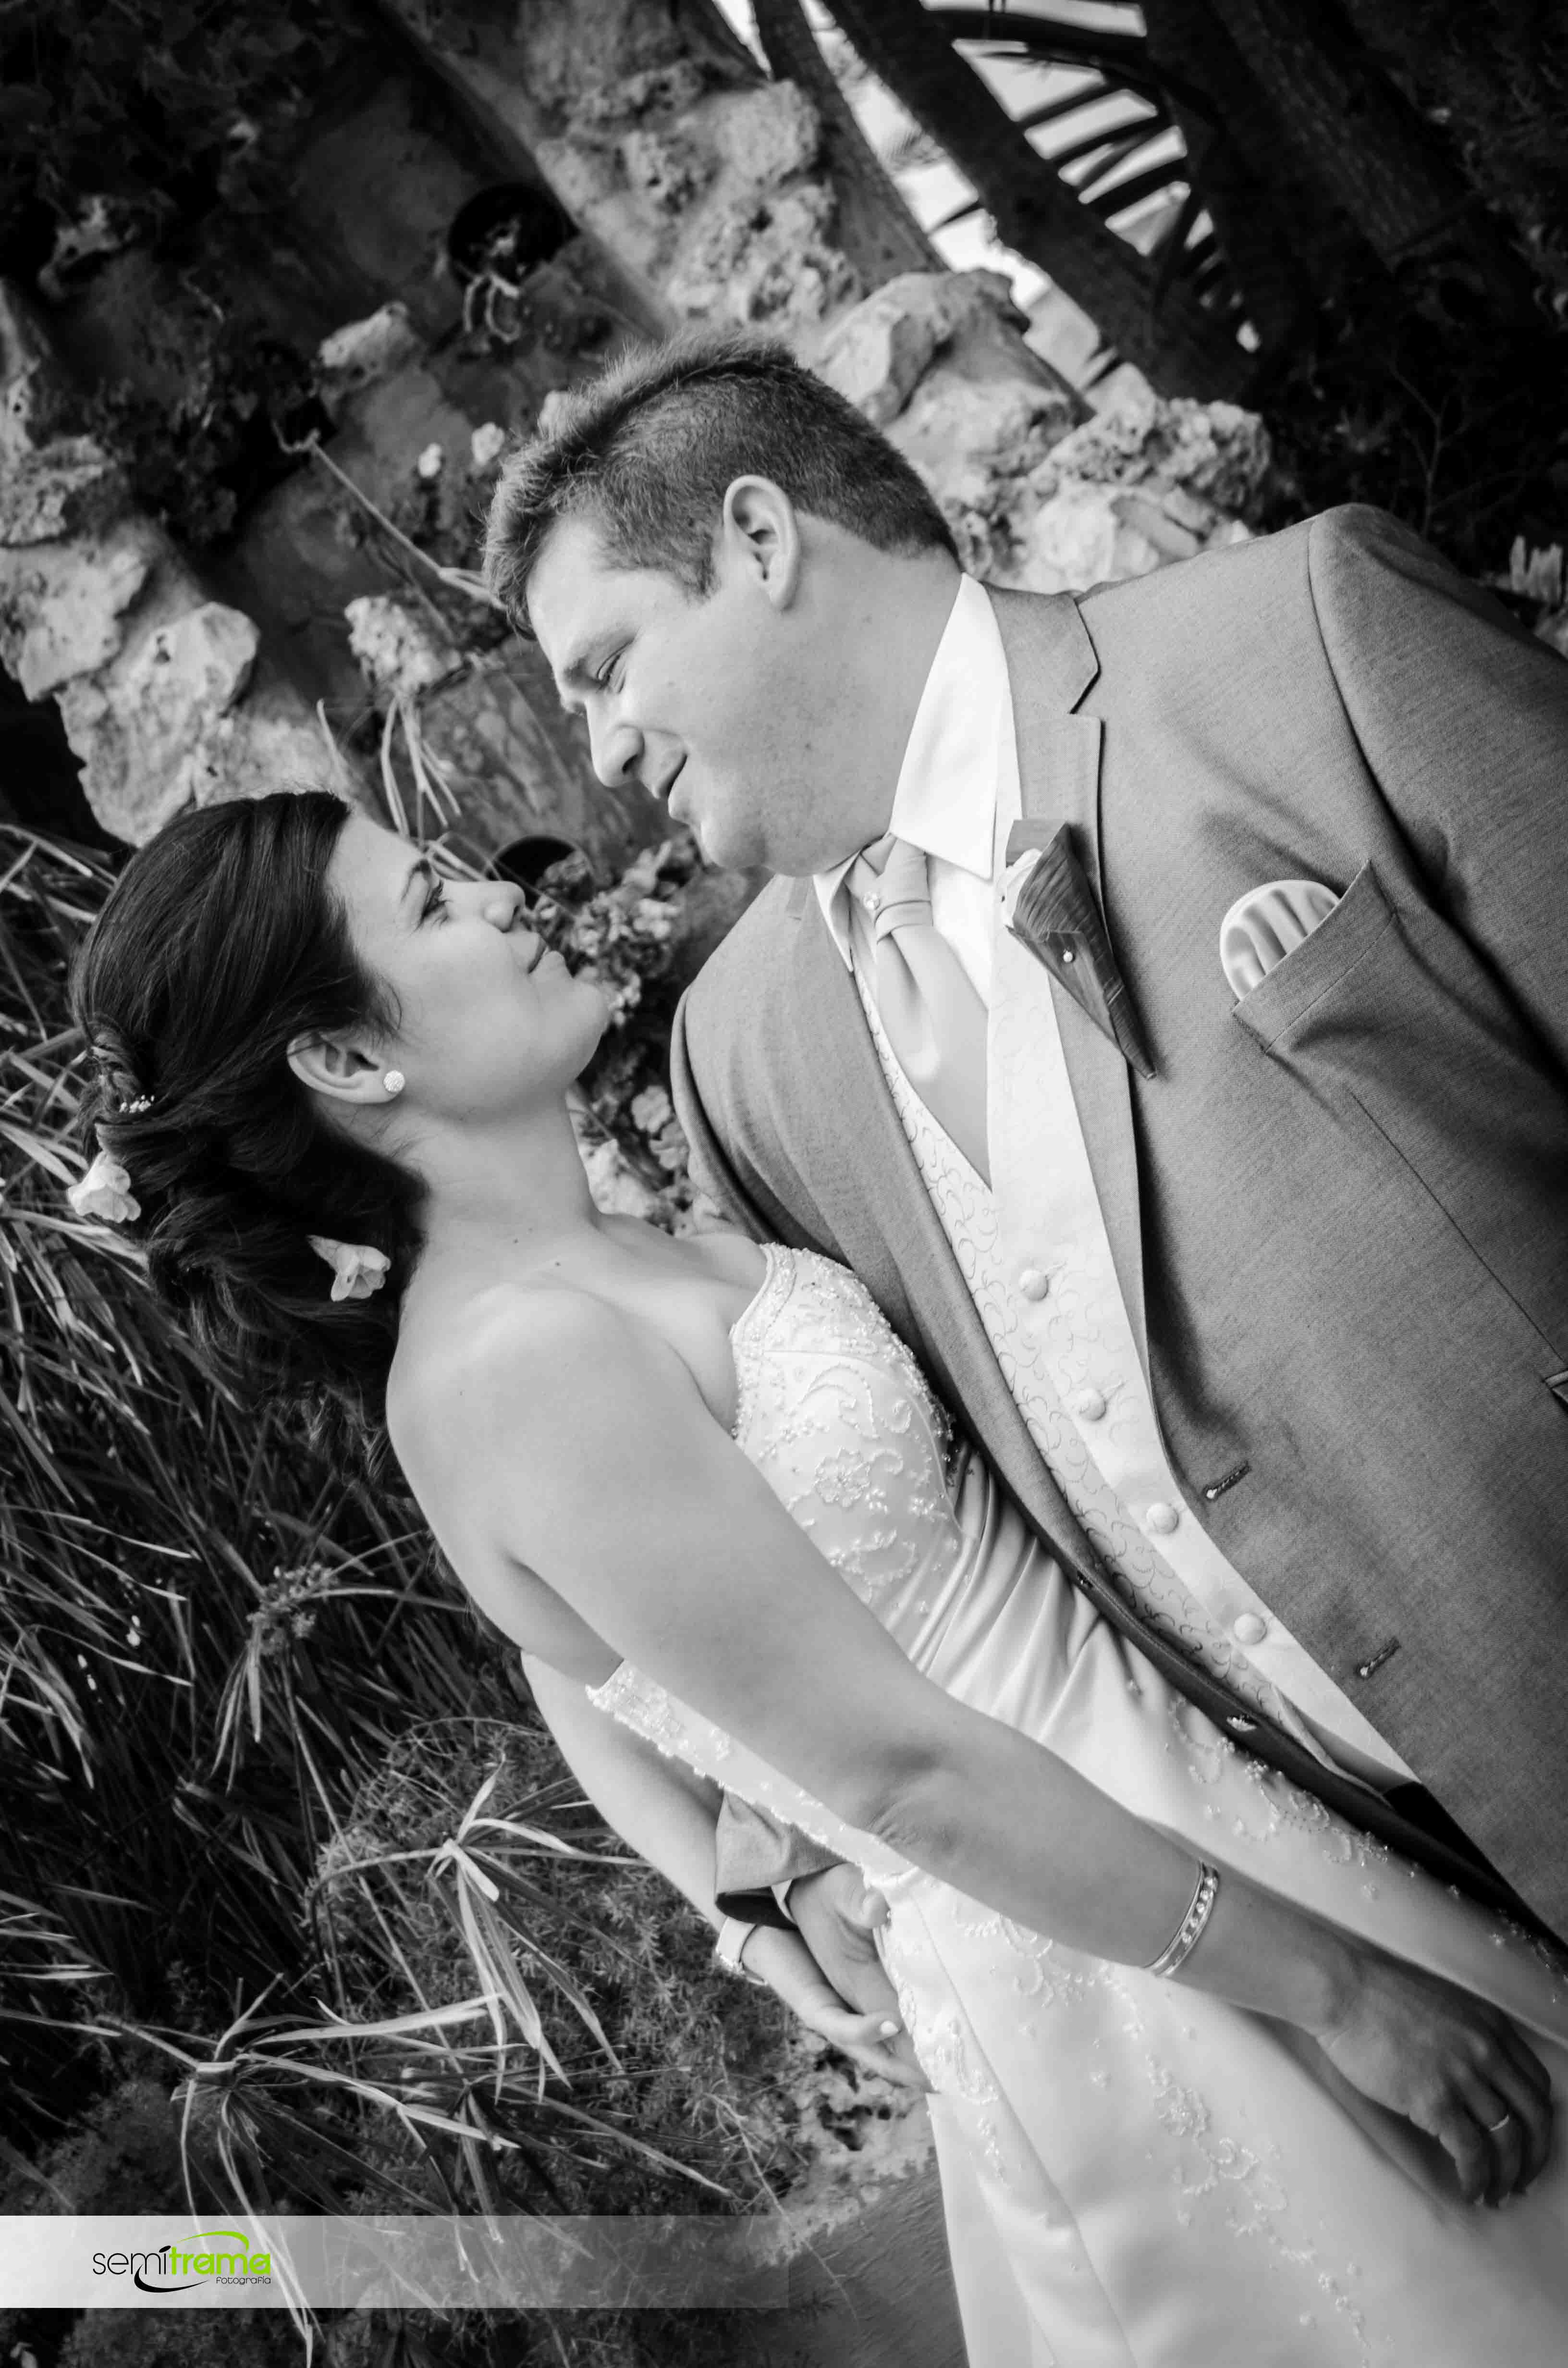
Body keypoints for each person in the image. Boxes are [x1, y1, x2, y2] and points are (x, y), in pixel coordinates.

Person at [69, 790, 1568, 2365]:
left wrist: (750, 1889)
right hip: (1133, 1949)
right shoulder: (512, 1369)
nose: (506, 895)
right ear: (347, 1061)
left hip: (1204, 1798)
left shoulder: (603, 1265)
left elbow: (571, 1659)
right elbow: (902, 1777)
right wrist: (1337, 1994)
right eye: (434, 903)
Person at [478, 330, 1568, 2079]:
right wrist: (770, 1867)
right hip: (1395, 1891)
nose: (601, 754)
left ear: (759, 541)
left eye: (607, 667)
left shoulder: (1299, 643)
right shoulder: (740, 1058)